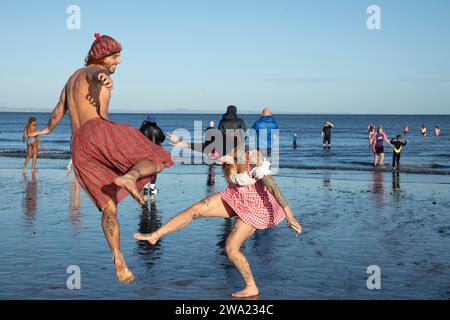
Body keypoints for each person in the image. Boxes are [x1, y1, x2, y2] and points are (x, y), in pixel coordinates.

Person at [29, 33, 173, 284]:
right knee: (158, 157)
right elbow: (94, 74)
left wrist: (46, 130)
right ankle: (129, 177)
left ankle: (118, 257)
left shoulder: (70, 79)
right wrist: (101, 76)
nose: (118, 62)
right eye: (114, 57)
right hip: (98, 130)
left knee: (108, 207)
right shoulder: (95, 70)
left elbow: (57, 111)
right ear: (101, 56)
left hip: (78, 145)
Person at [134, 132, 302, 298]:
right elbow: (205, 149)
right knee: (196, 209)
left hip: (257, 207)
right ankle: (155, 236)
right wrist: (182, 144)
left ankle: (251, 287)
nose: (218, 157)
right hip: (235, 196)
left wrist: (290, 215)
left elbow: (273, 187)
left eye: (222, 153)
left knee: (231, 247)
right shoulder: (224, 153)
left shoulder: (253, 158)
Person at [139, 114, 166, 198]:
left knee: (145, 169)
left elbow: (138, 139)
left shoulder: (142, 129)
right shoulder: (157, 129)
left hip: (144, 152)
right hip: (156, 152)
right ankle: (152, 189)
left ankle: (145, 189)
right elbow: (162, 139)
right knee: (154, 170)